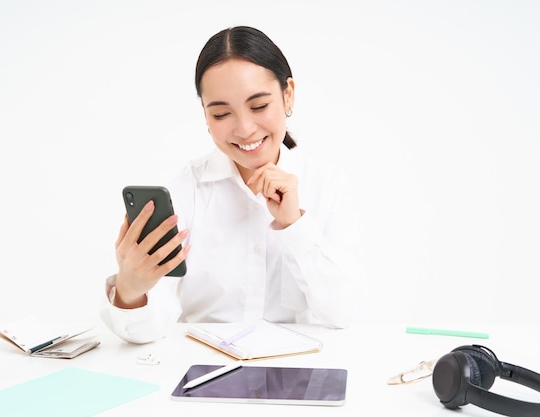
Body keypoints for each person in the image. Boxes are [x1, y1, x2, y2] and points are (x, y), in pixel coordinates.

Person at [100, 26, 360, 343]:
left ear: (288, 94)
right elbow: (148, 331)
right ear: (205, 114)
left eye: (259, 106)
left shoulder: (327, 184)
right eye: (222, 113)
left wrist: (294, 224)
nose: (245, 129)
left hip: (294, 373)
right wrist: (130, 291)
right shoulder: (185, 190)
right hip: (202, 369)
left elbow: (342, 313)